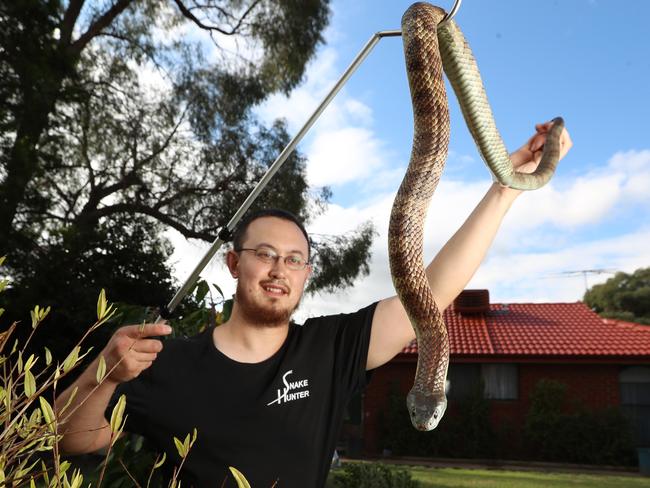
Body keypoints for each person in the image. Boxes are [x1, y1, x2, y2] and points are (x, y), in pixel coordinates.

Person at [56, 121, 572, 487]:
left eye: (294, 259)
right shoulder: (162, 362)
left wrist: (506, 189)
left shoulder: (330, 350)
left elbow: (430, 292)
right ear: (235, 265)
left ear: (305, 275)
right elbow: (69, 440)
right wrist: (101, 374)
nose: (280, 268)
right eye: (265, 254)